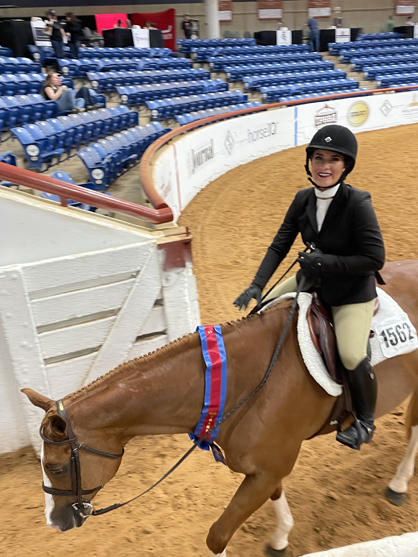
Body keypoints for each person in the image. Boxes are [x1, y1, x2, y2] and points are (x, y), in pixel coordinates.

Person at [233, 125, 385, 452]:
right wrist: (258, 286)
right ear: (309, 162)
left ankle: (365, 421)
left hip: (351, 291)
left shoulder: (357, 203)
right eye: (318, 157)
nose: (324, 165)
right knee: (262, 313)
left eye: (333, 159)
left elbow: (375, 258)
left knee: (351, 353)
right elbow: (279, 245)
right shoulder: (303, 199)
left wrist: (326, 262)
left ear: (346, 166)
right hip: (313, 277)